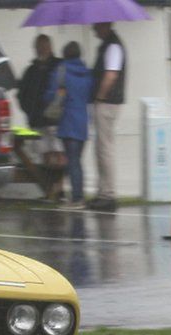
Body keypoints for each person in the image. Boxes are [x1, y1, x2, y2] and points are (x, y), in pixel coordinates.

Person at [44, 41, 92, 209]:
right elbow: (90, 95)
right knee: (77, 161)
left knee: (72, 162)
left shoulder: (61, 71)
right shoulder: (87, 73)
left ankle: (77, 198)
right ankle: (76, 195)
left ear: (64, 54)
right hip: (83, 121)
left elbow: (51, 95)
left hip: (67, 120)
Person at [17, 34, 64, 200]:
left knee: (59, 153)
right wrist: (28, 110)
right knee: (45, 154)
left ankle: (60, 188)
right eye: (38, 47)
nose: (41, 50)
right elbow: (22, 94)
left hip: (56, 120)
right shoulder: (31, 70)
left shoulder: (59, 66)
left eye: (43, 46)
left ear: (50, 47)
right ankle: (49, 188)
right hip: (37, 119)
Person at [89, 22, 127, 212]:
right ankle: (103, 192)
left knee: (104, 149)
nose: (93, 29)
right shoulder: (109, 45)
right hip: (107, 102)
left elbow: (111, 75)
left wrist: (100, 97)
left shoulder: (112, 46)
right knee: (101, 149)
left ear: (105, 26)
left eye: (96, 27)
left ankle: (108, 195)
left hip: (107, 102)